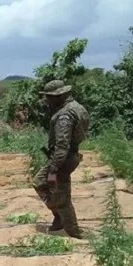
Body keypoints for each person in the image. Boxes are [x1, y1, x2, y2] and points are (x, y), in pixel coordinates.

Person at [32, 79, 90, 239]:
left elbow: (62, 144)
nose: (47, 100)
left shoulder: (64, 114)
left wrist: (54, 166)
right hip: (69, 156)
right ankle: (59, 217)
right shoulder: (77, 108)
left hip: (62, 159)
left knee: (60, 193)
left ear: (58, 96)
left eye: (49, 97)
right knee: (42, 183)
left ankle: (74, 232)